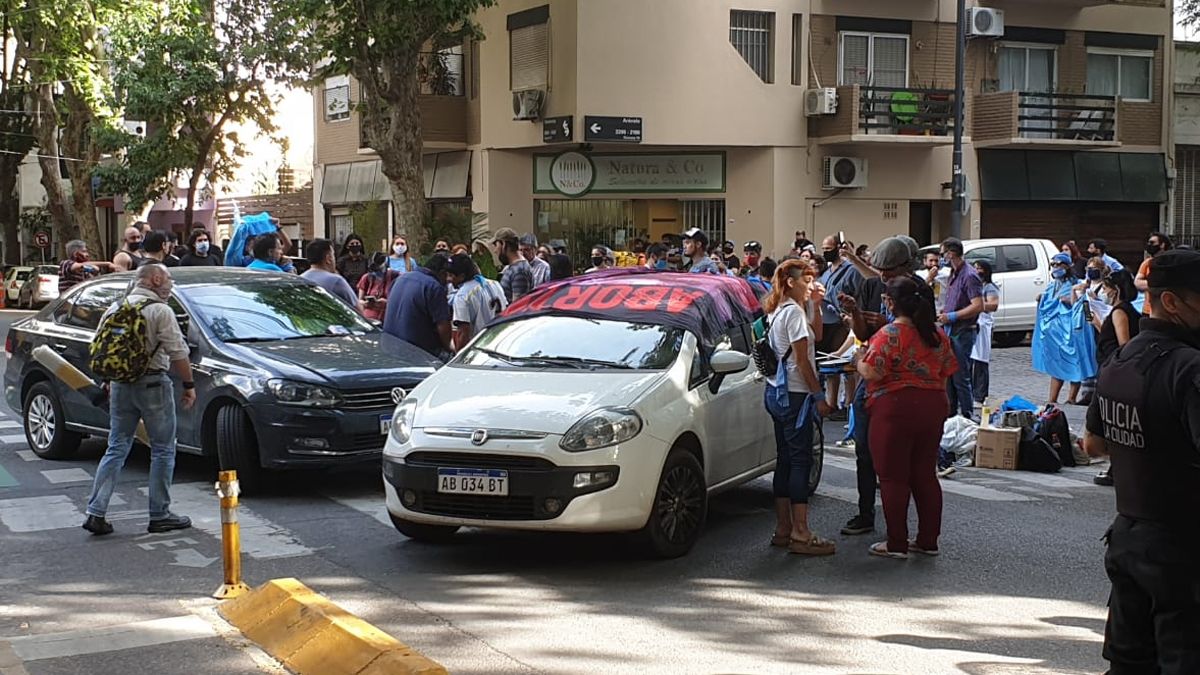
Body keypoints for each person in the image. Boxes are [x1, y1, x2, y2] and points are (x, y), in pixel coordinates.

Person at [1082, 249, 1200, 674]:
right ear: (1172, 302)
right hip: (1182, 547)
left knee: (1129, 662)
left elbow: (1092, 443)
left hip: (1129, 538)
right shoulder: (1189, 368)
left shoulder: (1120, 361)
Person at [81, 263, 195, 536]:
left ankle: (96, 511)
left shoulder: (115, 308)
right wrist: (189, 385)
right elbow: (178, 352)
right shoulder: (160, 311)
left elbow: (101, 347)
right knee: (163, 448)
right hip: (153, 383)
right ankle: (160, 513)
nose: (170, 285)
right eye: (168, 279)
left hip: (120, 384)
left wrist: (110, 378)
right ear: (155, 279)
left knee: (117, 446)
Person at [837, 235, 936, 538]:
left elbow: (925, 333)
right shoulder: (870, 286)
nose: (883, 279)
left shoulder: (919, 291)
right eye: (880, 271)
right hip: (874, 380)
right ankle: (866, 512)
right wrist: (855, 314)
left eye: (889, 272)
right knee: (865, 451)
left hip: (900, 383)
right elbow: (863, 334)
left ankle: (905, 532)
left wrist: (887, 324)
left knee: (905, 463)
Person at [857, 276, 957, 559]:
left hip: (894, 408)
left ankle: (897, 542)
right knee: (925, 474)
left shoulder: (889, 335)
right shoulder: (937, 335)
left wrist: (858, 361)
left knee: (892, 477)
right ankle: (928, 540)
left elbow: (874, 372)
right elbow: (948, 371)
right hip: (933, 405)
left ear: (890, 302)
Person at [763, 259, 836, 556]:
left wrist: (815, 305)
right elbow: (803, 360)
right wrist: (819, 397)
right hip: (795, 394)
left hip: (776, 392)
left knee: (785, 458)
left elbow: (816, 336)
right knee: (800, 460)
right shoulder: (791, 312)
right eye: (806, 280)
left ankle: (783, 528)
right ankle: (801, 532)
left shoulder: (782, 309)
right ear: (791, 282)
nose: (811, 285)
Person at [1034, 252, 1093, 405]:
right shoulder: (1052, 285)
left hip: (1070, 330)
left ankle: (1071, 398)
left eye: (1058, 265)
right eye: (1052, 265)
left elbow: (1081, 305)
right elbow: (1048, 304)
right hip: (1054, 332)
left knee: (1074, 362)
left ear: (1066, 266)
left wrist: (1068, 299)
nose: (1055, 268)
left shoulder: (1076, 284)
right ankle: (1052, 399)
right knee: (1056, 364)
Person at [938, 238, 983, 419]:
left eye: (943, 254)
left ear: (951, 253)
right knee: (949, 375)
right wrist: (946, 312)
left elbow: (977, 305)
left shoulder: (969, 275)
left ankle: (967, 415)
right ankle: (951, 414)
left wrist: (953, 316)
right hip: (951, 329)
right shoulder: (953, 273)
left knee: (960, 376)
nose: (942, 258)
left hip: (963, 331)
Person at [383, 253, 452, 359]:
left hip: (389, 347)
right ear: (442, 273)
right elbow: (443, 326)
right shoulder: (434, 287)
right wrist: (450, 348)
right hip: (417, 352)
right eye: (448, 276)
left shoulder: (401, 278)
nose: (449, 281)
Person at [447, 253, 507, 351]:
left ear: (462, 276)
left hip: (480, 351)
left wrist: (459, 360)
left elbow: (463, 333)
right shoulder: (495, 284)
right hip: (500, 346)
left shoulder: (463, 296)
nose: (448, 279)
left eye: (451, 275)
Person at [969, 260, 1001, 405]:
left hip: (983, 324)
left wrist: (977, 306)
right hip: (971, 322)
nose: (976, 271)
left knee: (980, 360)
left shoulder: (989, 287)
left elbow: (993, 305)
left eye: (979, 268)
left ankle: (980, 395)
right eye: (974, 268)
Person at [302, 238, 361, 311]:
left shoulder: (300, 279)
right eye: (333, 255)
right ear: (328, 258)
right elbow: (358, 310)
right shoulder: (336, 281)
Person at [492, 228, 535, 302]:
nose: (495, 250)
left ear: (503, 244)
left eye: (496, 245)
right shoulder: (514, 267)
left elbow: (517, 306)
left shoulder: (520, 270)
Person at [1135, 231, 1172, 316]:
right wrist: (1158, 285)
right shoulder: (1147, 263)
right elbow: (1137, 283)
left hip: (1166, 310)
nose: (1149, 245)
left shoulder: (1170, 262)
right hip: (1147, 310)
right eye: (1148, 242)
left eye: (1152, 243)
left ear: (1162, 245)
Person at [356, 253, 392, 321]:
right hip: (368, 318)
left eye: (378, 270)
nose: (376, 273)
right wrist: (365, 303)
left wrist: (387, 303)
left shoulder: (394, 277)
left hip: (386, 317)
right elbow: (359, 301)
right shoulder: (366, 278)